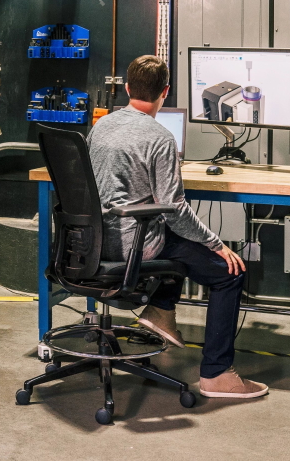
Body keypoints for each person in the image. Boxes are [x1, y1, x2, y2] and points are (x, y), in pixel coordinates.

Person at [86, 55, 268, 399]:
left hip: (89, 244)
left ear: (126, 88)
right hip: (131, 245)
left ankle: (162, 310)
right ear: (165, 92)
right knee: (229, 272)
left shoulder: (101, 126)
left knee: (178, 241)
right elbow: (176, 211)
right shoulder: (160, 138)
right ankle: (217, 374)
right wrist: (218, 245)